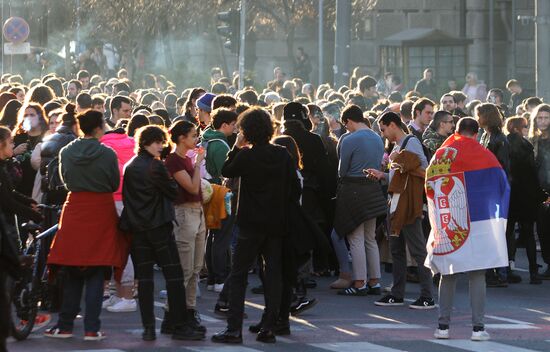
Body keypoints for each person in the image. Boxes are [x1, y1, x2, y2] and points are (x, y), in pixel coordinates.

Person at [212, 107, 300, 344]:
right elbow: (295, 188)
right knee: (273, 275)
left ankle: (233, 329)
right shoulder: (283, 155)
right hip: (276, 222)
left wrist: (236, 147)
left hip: (250, 222)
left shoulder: (246, 155)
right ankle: (269, 327)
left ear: (246, 131)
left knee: (239, 274)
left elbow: (226, 170)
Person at [44, 110, 126, 341]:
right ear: (99, 127)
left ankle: (65, 324)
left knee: (72, 269)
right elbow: (112, 183)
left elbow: (65, 180)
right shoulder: (107, 154)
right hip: (100, 210)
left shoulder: (67, 151)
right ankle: (92, 327)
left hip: (75, 208)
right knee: (97, 270)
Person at [427, 117, 509, 342]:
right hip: (479, 222)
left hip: (450, 220)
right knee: (477, 273)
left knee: (448, 271)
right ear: (476, 132)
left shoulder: (443, 153)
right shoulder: (484, 153)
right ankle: (478, 328)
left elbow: (430, 183)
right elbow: (502, 183)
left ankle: (442, 327)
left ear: (457, 130)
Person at [120, 125, 204, 341]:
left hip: (138, 229)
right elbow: (174, 190)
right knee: (174, 277)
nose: (161, 146)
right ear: (146, 143)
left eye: (161, 141)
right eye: (157, 142)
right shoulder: (154, 167)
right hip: (158, 227)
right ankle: (178, 325)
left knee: (145, 280)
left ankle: (149, 327)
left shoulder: (130, 166)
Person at [368, 111, 435, 309]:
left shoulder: (410, 142)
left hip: (409, 203)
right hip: (396, 201)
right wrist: (382, 175)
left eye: (383, 129)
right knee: (396, 249)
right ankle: (397, 294)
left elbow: (424, 169)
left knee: (417, 250)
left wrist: (400, 160)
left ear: (393, 125)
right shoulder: (397, 146)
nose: (383, 134)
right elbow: (398, 176)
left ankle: (427, 296)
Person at [334, 105, 387, 296]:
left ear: (348, 121)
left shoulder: (348, 139)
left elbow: (342, 170)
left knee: (355, 237)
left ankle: (359, 282)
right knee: (370, 237)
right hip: (373, 188)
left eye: (345, 124)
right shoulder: (377, 137)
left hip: (353, 189)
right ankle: (375, 280)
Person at [165, 121, 207, 332]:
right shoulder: (174, 161)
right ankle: (174, 314)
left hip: (197, 211)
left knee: (196, 267)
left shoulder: (184, 159)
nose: (196, 139)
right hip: (185, 213)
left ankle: (189, 311)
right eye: (193, 135)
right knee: (185, 268)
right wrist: (198, 163)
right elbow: (191, 187)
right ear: (181, 138)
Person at [475, 103, 515, 286]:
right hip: (486, 187)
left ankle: (501, 273)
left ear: (486, 117)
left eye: (479, 115)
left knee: (497, 231)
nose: (477, 118)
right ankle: (492, 270)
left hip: (495, 188)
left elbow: (503, 167)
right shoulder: (485, 135)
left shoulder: (500, 139)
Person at [100, 120, 137, 313]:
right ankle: (120, 293)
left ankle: (125, 296)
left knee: (118, 248)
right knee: (123, 246)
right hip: (130, 198)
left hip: (112, 198)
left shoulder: (104, 146)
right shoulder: (131, 142)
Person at [505, 116, 547, 284]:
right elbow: (532, 172)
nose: (526, 129)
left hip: (510, 194)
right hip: (527, 195)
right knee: (528, 233)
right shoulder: (526, 145)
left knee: (508, 233)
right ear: (517, 128)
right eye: (525, 126)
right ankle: (533, 272)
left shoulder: (504, 143)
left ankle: (508, 269)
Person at [529, 104, 550, 279]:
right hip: (538, 192)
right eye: (540, 118)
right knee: (543, 230)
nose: (543, 121)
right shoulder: (532, 141)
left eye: (546, 118)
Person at [13, 102, 49, 197]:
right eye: (25, 115)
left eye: (32, 115)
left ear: (40, 117)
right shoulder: (18, 138)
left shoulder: (47, 137)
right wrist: (14, 152)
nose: (28, 117)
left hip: (41, 187)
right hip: (21, 189)